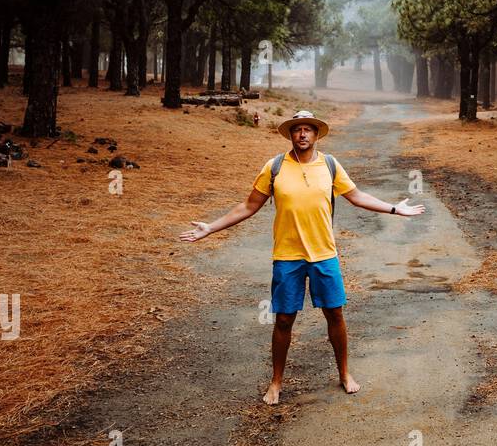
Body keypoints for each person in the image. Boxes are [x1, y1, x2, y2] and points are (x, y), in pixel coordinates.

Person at [179, 110, 424, 404]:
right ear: (291, 135)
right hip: (287, 257)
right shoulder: (275, 167)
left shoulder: (330, 165)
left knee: (335, 314)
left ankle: (344, 374)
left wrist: (395, 209)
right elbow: (248, 206)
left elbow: (357, 197)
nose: (303, 134)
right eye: (297, 130)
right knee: (283, 319)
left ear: (316, 135)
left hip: (324, 254)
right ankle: (276, 382)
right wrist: (211, 227)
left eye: (308, 129)